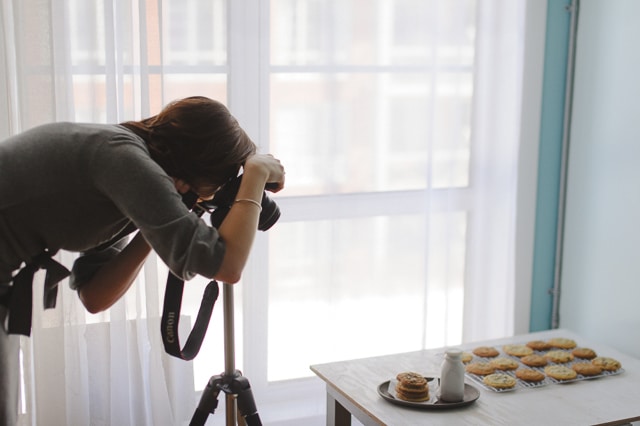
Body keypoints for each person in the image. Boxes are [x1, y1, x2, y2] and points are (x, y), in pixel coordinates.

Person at [0, 96, 285, 424]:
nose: (216, 197)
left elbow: (95, 295)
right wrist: (255, 174)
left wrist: (162, 221)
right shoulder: (123, 159)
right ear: (195, 163)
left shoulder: (125, 163)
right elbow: (227, 266)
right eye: (221, 184)